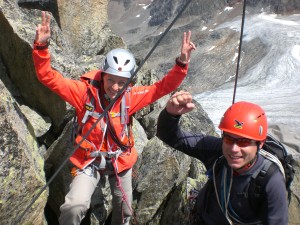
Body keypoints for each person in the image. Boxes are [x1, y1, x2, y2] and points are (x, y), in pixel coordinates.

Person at [32, 11, 196, 225]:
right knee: (74, 207)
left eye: (122, 82)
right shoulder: (84, 93)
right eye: (111, 80)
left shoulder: (130, 97)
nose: (115, 88)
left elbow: (162, 88)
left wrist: (181, 64)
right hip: (89, 161)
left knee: (125, 209)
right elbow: (49, 77)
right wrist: (42, 49)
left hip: (120, 160)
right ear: (103, 76)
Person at [156, 91, 288, 225]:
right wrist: (171, 114)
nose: (234, 149)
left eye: (244, 142)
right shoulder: (218, 151)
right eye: (229, 139)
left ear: (260, 144)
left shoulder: (271, 181)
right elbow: (171, 136)